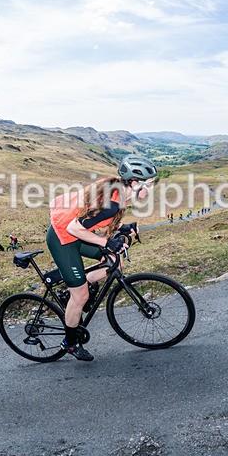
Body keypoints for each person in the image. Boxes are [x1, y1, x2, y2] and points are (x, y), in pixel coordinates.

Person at [47, 154, 157, 361]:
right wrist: (106, 242)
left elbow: (94, 218)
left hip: (75, 232)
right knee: (80, 297)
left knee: (115, 260)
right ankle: (69, 343)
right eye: (149, 184)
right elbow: (75, 228)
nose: (151, 189)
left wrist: (122, 228)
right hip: (63, 237)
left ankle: (76, 287)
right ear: (134, 182)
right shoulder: (112, 202)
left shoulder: (118, 192)